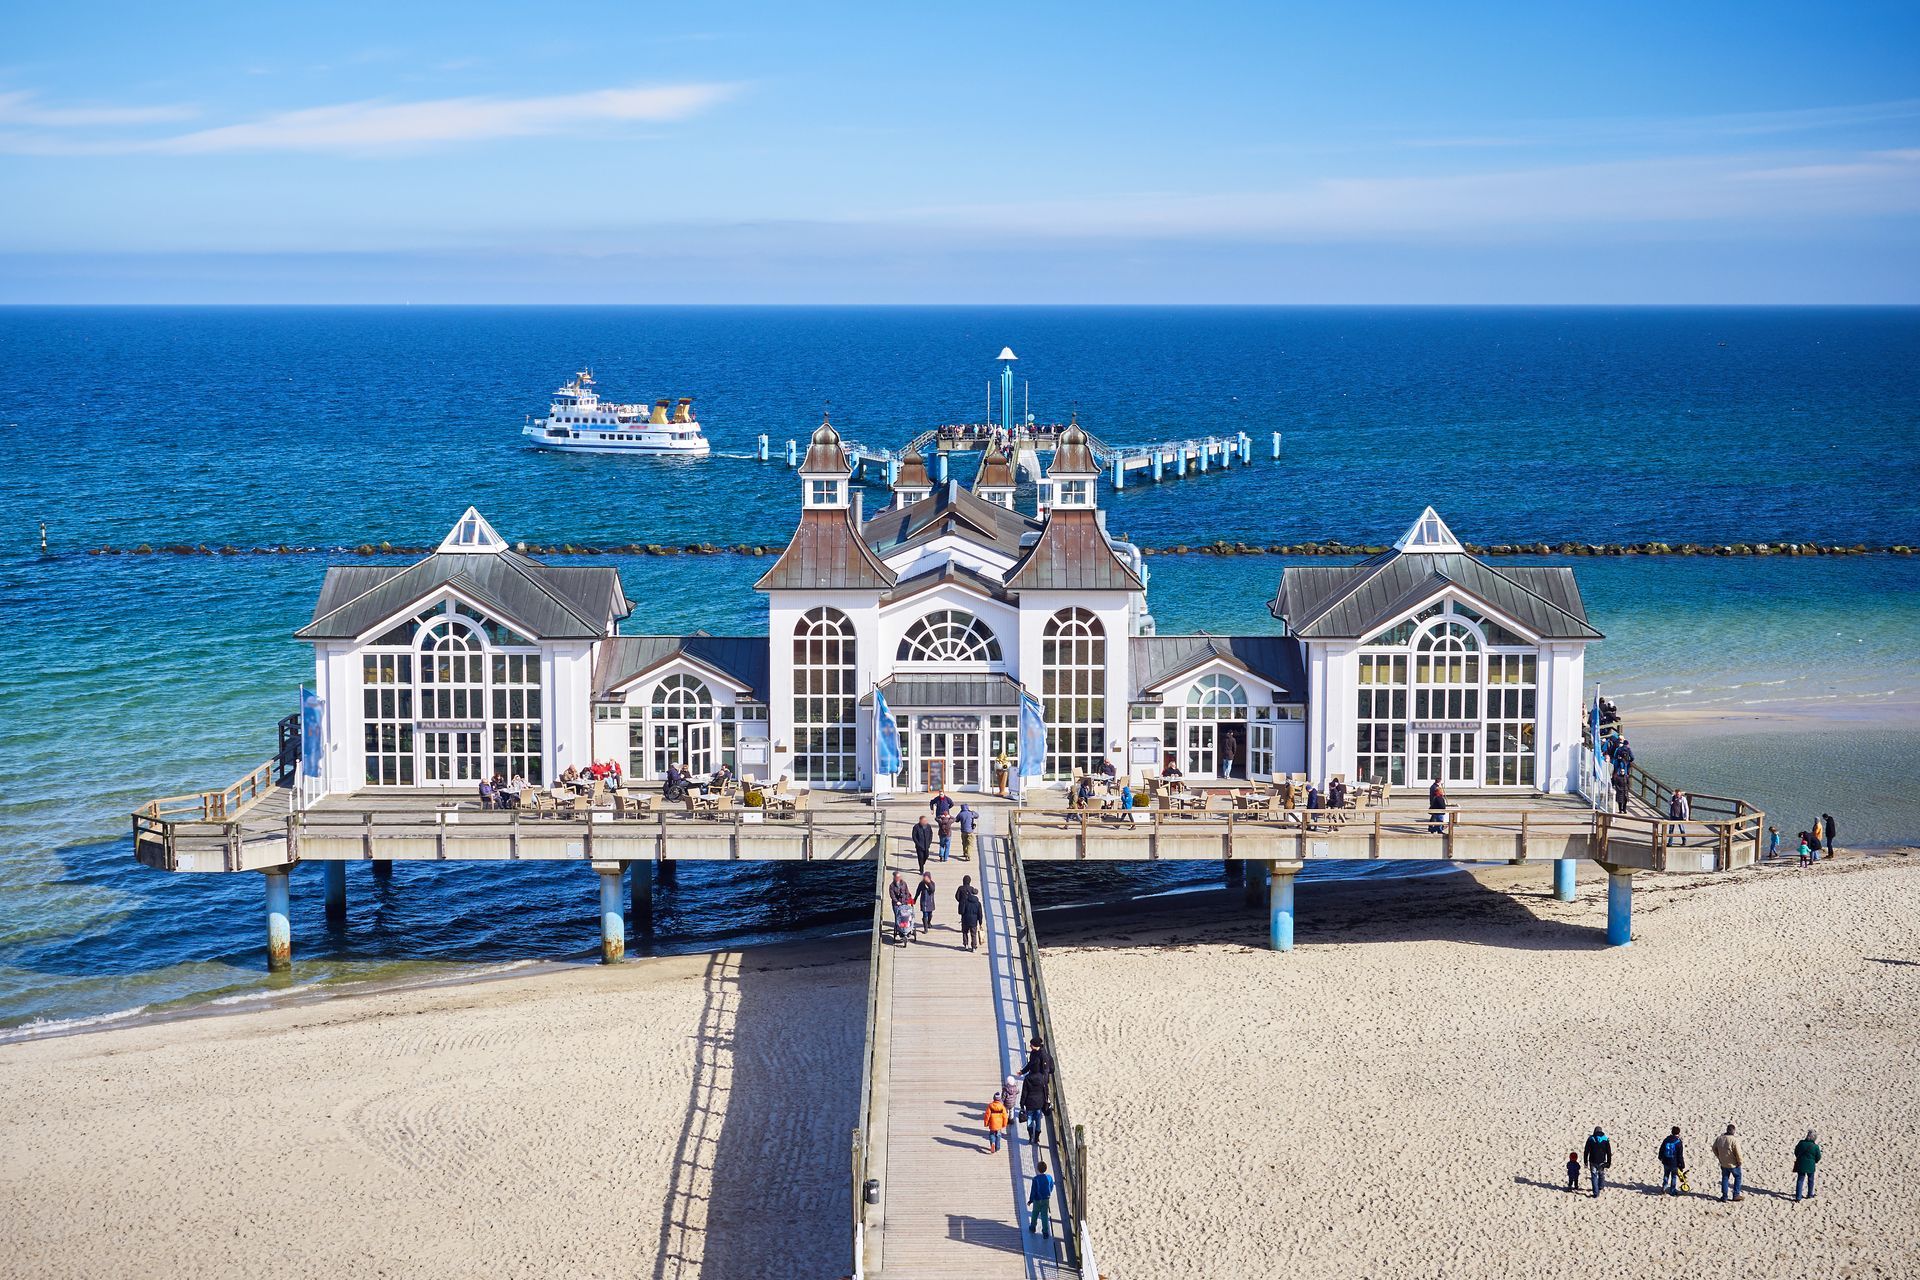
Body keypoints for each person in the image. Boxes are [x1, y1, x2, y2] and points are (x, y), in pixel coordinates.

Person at [1019, 1064, 1051, 1145]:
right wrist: (1046, 1100)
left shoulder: (1027, 1078)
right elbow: (1045, 1090)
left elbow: (1024, 1092)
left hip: (1029, 1103)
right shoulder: (1042, 1077)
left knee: (1029, 1119)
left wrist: (1022, 1104)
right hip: (1039, 1102)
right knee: (1038, 1120)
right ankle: (1037, 1138)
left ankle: (1031, 1137)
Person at [1713, 1123, 1744, 1202]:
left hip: (1723, 1162)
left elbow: (1714, 1148)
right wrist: (1740, 1161)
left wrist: (1719, 1156)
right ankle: (1736, 1195)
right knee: (1737, 1177)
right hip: (1733, 1163)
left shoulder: (1719, 1138)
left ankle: (1724, 1196)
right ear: (1733, 1131)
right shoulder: (1734, 1140)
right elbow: (1738, 1152)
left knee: (1725, 1178)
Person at [1582, 1127, 1612, 1197]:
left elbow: (1586, 1151)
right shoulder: (1605, 1139)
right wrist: (1609, 1162)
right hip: (1602, 1161)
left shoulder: (1590, 1139)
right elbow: (1609, 1152)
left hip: (1592, 1161)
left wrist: (1585, 1161)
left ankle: (1596, 1193)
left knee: (1594, 1176)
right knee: (1601, 1174)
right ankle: (1601, 1186)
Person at [1027, 1160, 1054, 1237]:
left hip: (1037, 1200)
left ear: (1037, 1169)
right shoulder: (1049, 1178)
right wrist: (1049, 1193)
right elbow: (1051, 1186)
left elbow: (1033, 1191)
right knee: (1044, 1215)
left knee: (1035, 1213)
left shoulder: (1035, 1179)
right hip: (1046, 1199)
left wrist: (1030, 1200)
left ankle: (1033, 1227)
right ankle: (1045, 1232)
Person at [957, 875, 984, 952]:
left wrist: (961, 911)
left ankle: (966, 944)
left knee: (965, 932)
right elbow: (980, 914)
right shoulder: (978, 903)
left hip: (965, 919)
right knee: (973, 934)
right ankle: (974, 947)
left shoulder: (961, 889)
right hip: (973, 921)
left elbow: (957, 898)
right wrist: (980, 922)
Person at [1793, 1131, 1821, 1200]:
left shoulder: (1801, 1143)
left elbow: (1796, 1152)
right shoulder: (1815, 1147)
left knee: (1800, 1180)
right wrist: (1815, 1161)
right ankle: (1809, 1194)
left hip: (1801, 1164)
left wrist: (1799, 1158)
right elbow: (1818, 1157)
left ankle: (1798, 1197)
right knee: (1810, 1180)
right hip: (1811, 1165)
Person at [888, 872, 914, 946]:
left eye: (899, 877)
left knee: (906, 916)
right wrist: (897, 901)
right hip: (897, 904)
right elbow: (892, 895)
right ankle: (900, 932)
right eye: (897, 877)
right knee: (898, 917)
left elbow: (907, 892)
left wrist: (909, 899)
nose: (898, 878)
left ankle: (907, 930)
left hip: (904, 902)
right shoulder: (892, 886)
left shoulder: (904, 883)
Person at [1659, 1126, 1686, 1195]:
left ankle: (1664, 1187)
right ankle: (1672, 1190)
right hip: (1674, 1163)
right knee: (1673, 1176)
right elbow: (1680, 1155)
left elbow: (1661, 1149)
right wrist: (1682, 1165)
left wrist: (1660, 1157)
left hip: (1666, 1161)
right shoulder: (1678, 1142)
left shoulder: (1666, 1139)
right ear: (1678, 1133)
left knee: (1666, 1175)